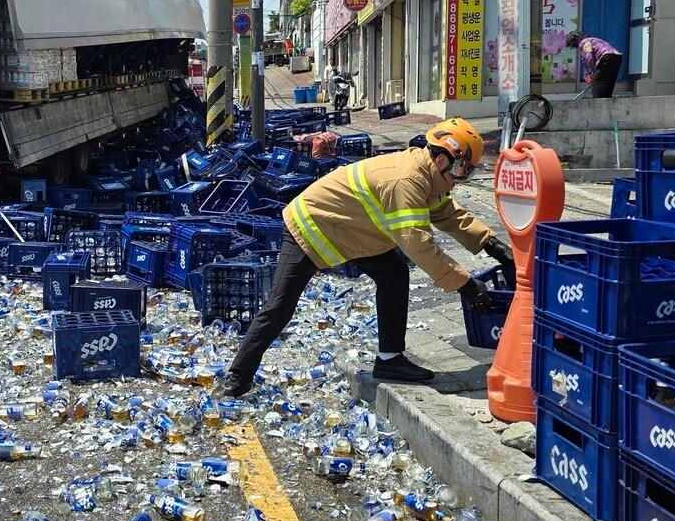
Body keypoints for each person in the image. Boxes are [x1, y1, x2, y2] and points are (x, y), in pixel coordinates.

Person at [213, 118, 515, 393]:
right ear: (442, 159)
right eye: (462, 169)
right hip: (311, 225)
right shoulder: (406, 181)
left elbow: (446, 213)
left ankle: (390, 360)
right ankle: (238, 376)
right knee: (280, 304)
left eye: (467, 171)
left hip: (350, 231)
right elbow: (418, 244)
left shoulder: (427, 175)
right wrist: (466, 285)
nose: (461, 178)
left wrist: (491, 244)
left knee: (394, 273)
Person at [567, 31, 623, 99]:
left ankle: (598, 102)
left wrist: (591, 73)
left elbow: (589, 57)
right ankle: (607, 101)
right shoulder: (593, 40)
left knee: (597, 85)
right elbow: (585, 61)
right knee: (607, 84)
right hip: (616, 57)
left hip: (606, 57)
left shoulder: (583, 42)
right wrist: (590, 74)